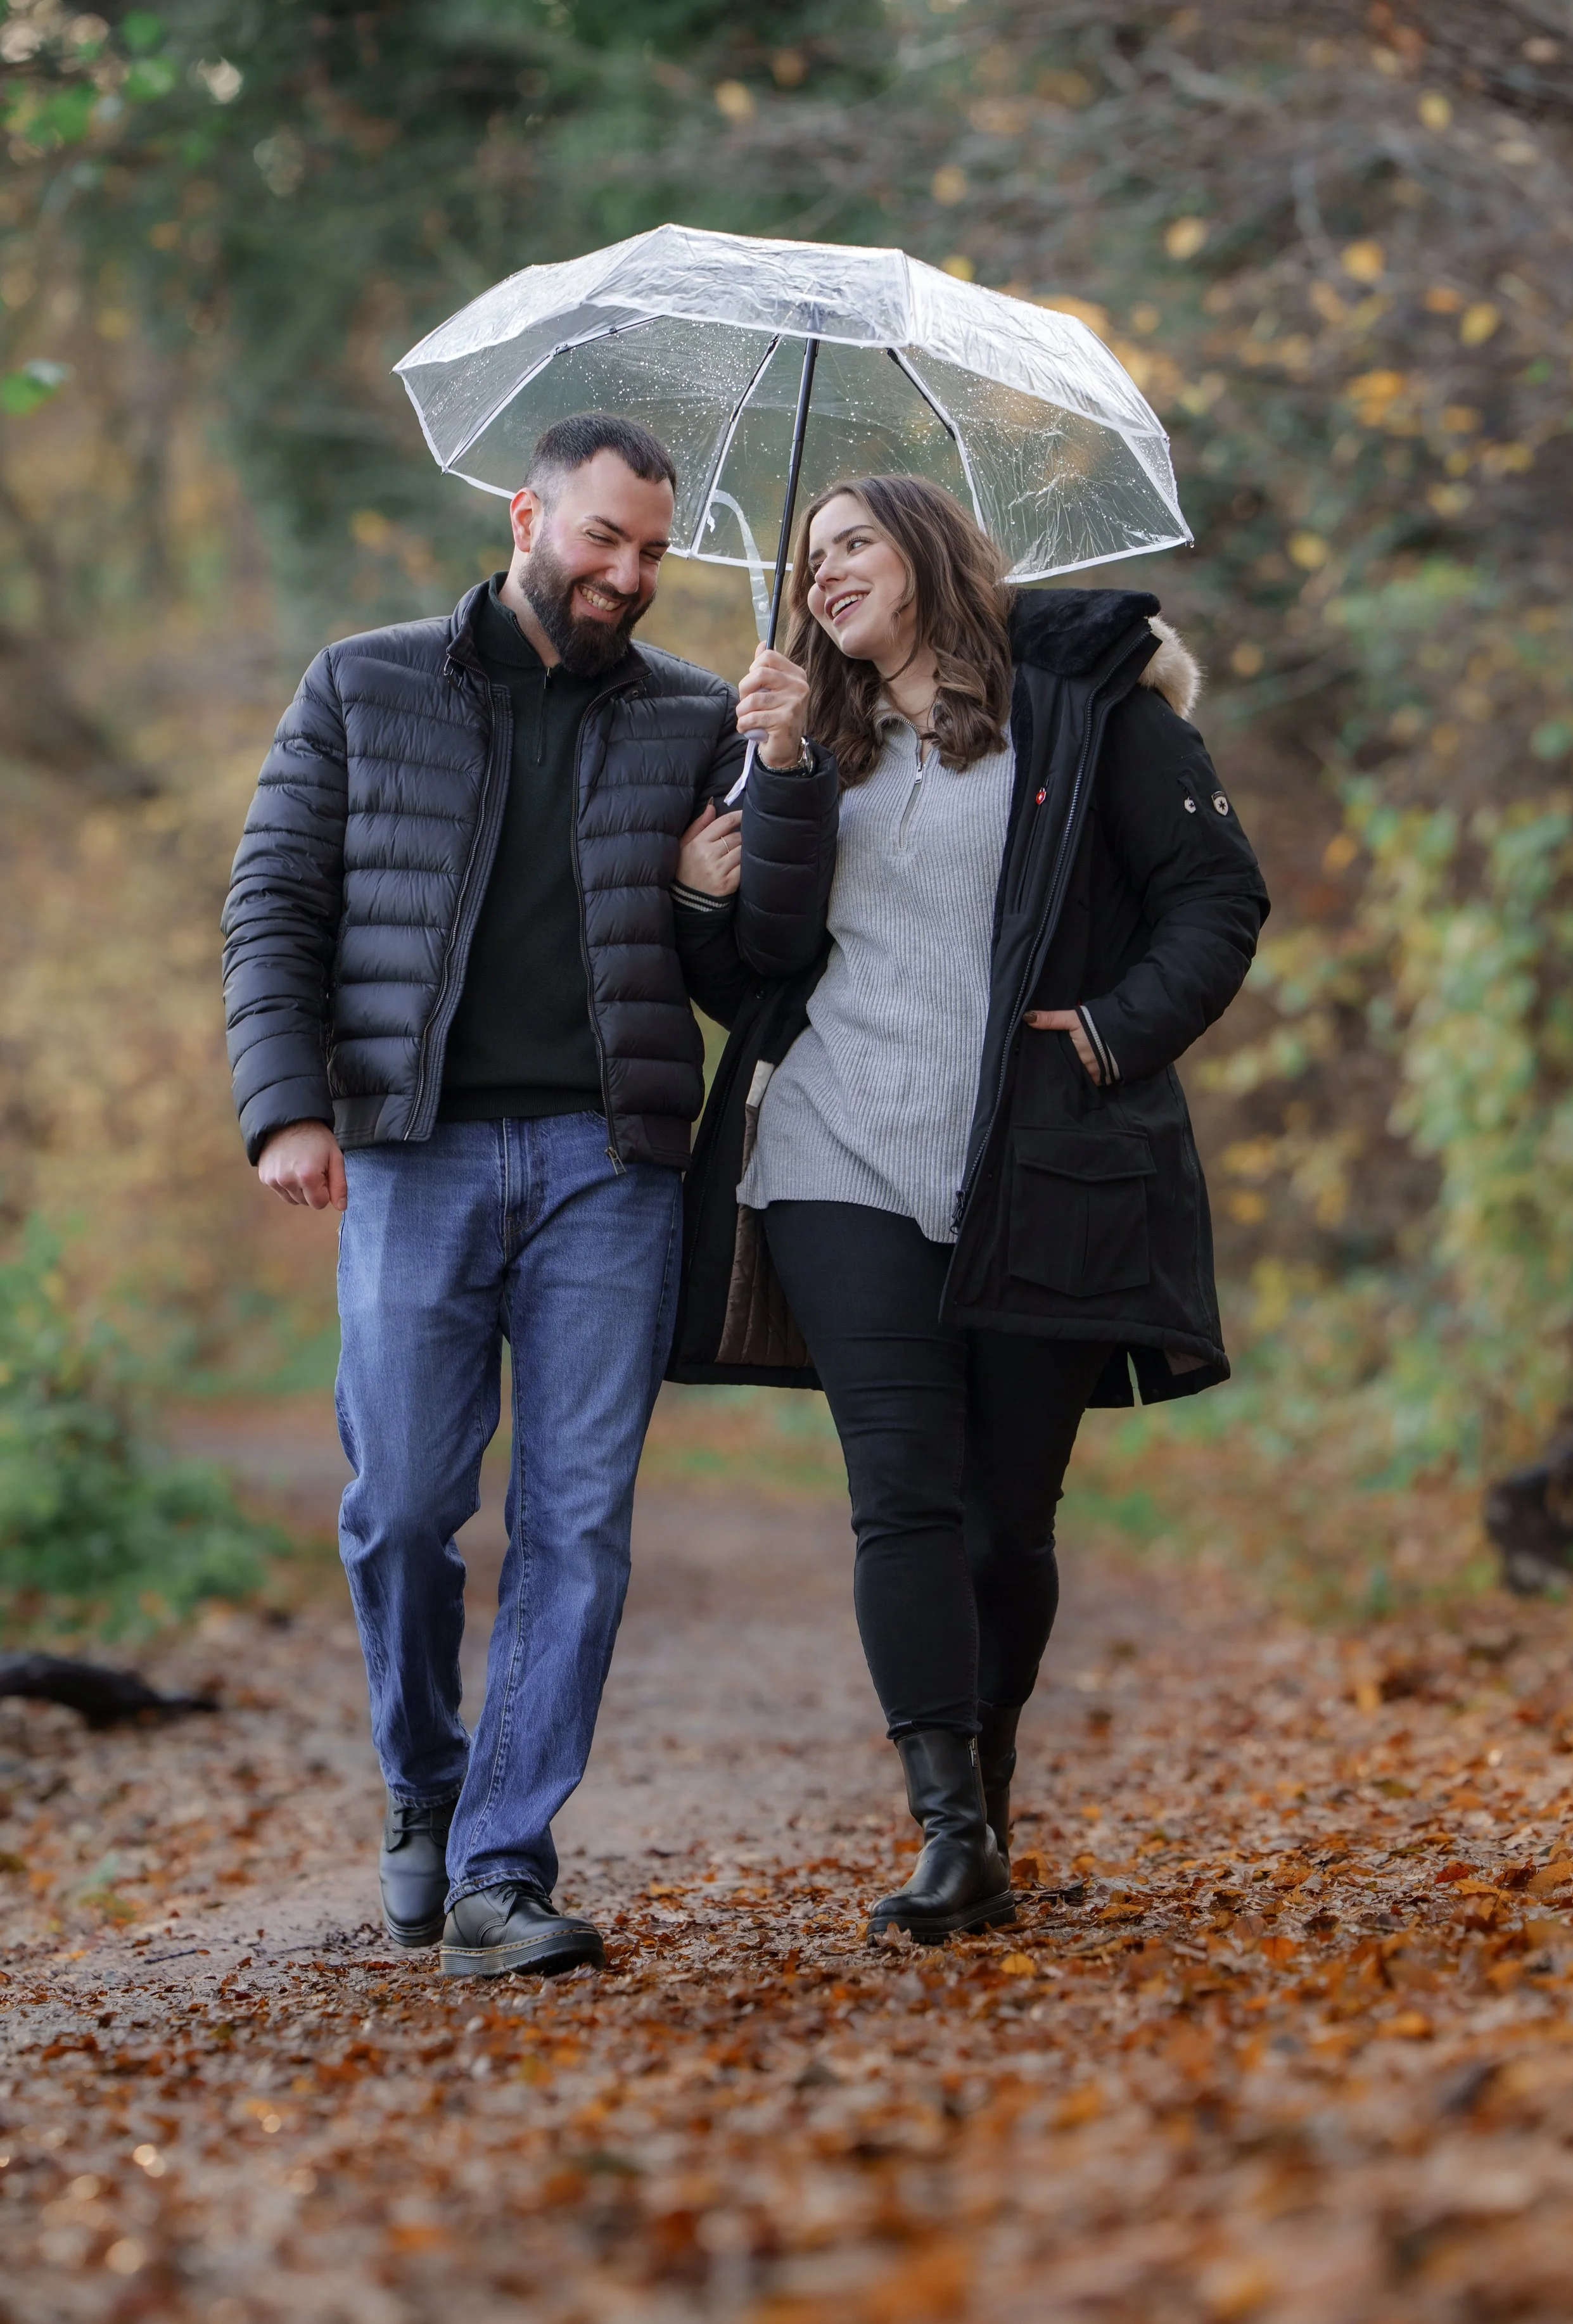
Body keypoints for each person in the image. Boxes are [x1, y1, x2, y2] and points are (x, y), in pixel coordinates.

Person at [222, 412, 834, 1978]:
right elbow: (275, 903)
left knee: (575, 1521)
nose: (628, 573)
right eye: (602, 539)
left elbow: (748, 969)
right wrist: (285, 1107)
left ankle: (503, 1860)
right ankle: (423, 1787)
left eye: (650, 550)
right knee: (406, 1506)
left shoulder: (699, 716)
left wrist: (776, 788)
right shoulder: (362, 684)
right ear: (526, 514)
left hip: (609, 1166)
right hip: (414, 1155)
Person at [670, 474, 1268, 1945]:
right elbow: (756, 967)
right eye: (808, 559)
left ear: (929, 551)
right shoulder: (794, 731)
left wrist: (1115, 1029)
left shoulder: (1090, 709)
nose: (821, 577)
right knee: (904, 1491)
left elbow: (1216, 896)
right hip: (837, 1146)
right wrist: (713, 873)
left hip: (1034, 1162)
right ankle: (947, 1828)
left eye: (850, 543)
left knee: (1006, 1518)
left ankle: (988, 1790)